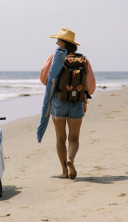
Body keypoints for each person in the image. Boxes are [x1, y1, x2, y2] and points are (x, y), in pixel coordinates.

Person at [40, 28, 96, 179]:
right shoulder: (83, 59)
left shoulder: (55, 57)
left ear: (63, 43)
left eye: (58, 40)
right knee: (74, 138)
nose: (56, 42)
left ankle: (64, 171)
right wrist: (84, 98)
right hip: (77, 101)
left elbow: (44, 78)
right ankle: (71, 159)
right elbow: (90, 86)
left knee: (60, 139)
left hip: (58, 100)